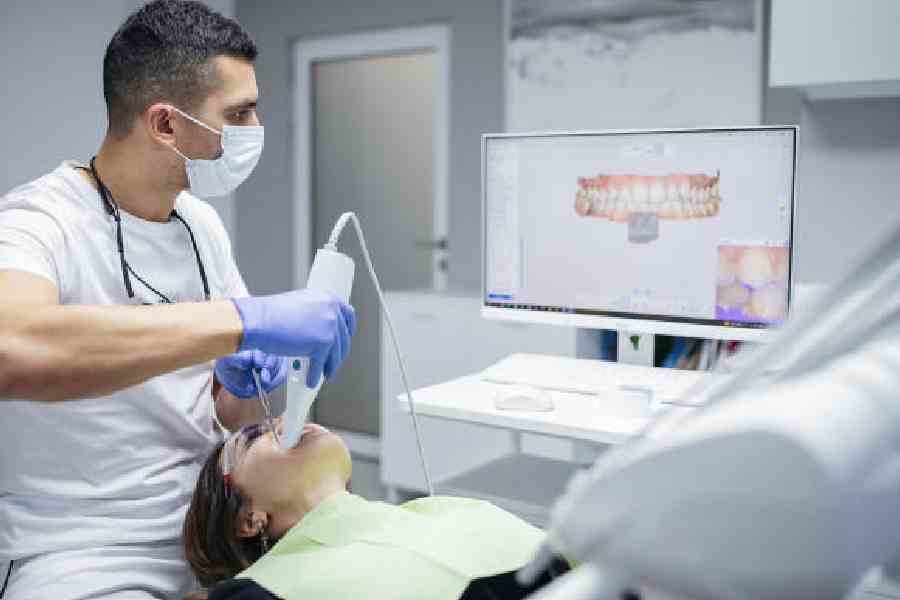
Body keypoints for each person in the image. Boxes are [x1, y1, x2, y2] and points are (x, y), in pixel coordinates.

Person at [0, 2, 354, 598]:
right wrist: (244, 320)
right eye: (239, 113)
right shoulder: (37, 222)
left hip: (218, 536)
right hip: (83, 552)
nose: (255, 127)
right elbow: (10, 347)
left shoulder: (200, 225)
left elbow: (225, 410)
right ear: (165, 123)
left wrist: (239, 388)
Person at [182, 419, 571, 600]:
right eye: (254, 437)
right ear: (249, 520)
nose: (281, 421)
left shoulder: (434, 510)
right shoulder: (260, 592)